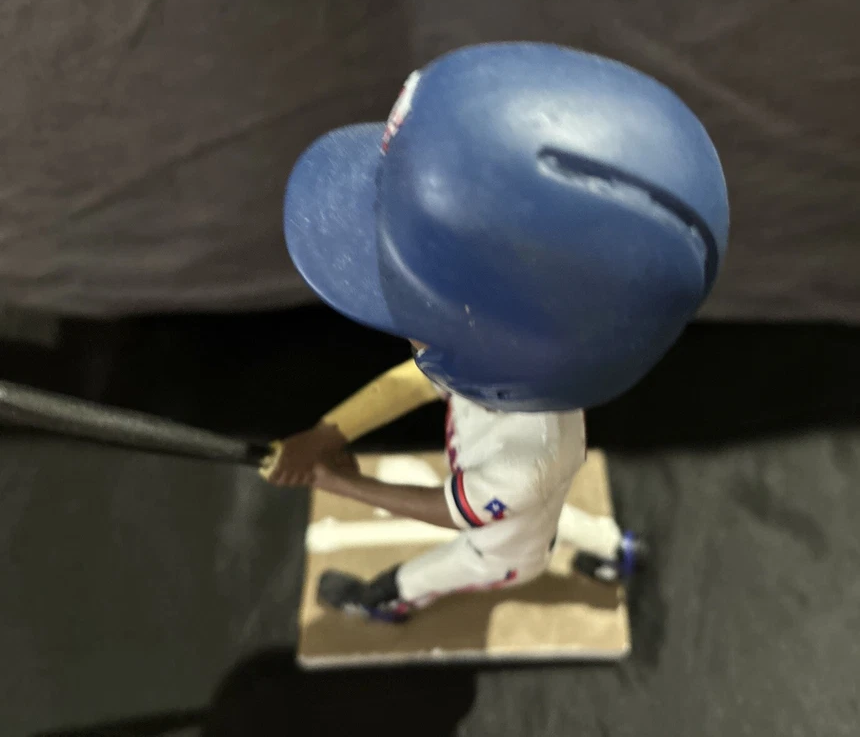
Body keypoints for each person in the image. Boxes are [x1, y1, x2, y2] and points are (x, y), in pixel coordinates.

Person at [262, 42, 729, 623]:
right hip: (526, 503)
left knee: (449, 565)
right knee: (554, 514)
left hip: (499, 548)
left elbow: (454, 512)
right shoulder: (526, 372)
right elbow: (414, 382)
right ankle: (616, 548)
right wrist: (330, 431)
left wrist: (337, 483)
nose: (412, 332)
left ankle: (382, 601)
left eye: (428, 320)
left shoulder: (528, 455)